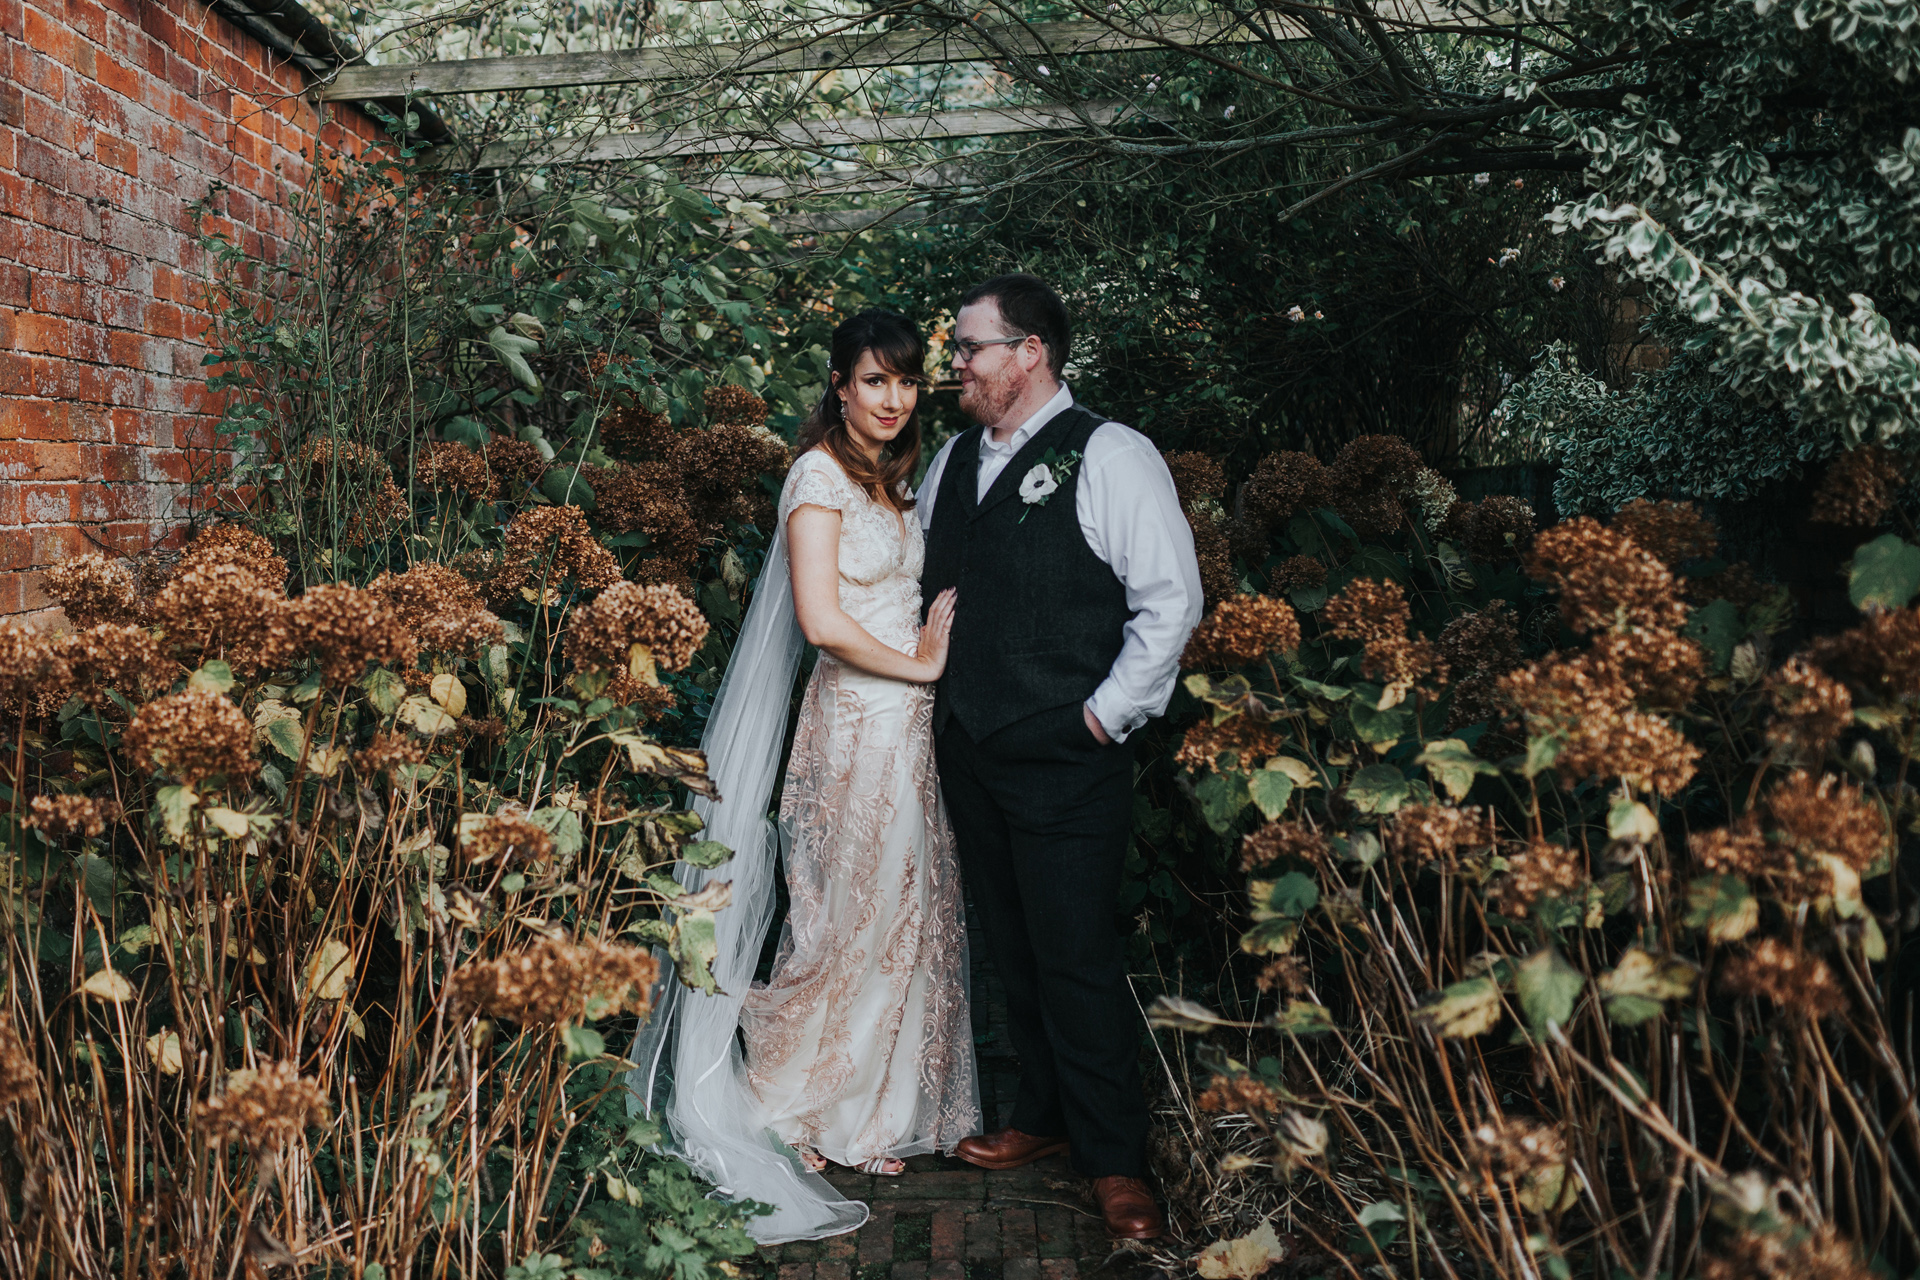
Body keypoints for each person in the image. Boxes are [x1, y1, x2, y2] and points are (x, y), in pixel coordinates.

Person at [631, 311, 980, 1243]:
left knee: (901, 910)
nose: (894, 400)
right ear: (838, 385)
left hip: (904, 729)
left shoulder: (891, 480)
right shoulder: (817, 479)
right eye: (875, 382)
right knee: (845, 913)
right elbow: (823, 621)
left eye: (906, 384)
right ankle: (794, 1101)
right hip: (857, 721)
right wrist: (923, 664)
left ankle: (869, 1108)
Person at [919, 274, 1203, 1241]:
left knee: (1077, 953)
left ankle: (1115, 1159)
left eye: (969, 348)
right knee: (1012, 948)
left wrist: (1101, 718)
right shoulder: (951, 462)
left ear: (1029, 351)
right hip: (969, 746)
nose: (954, 364)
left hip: (1067, 754)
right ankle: (1040, 1119)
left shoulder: (1113, 455)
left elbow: (1169, 602)